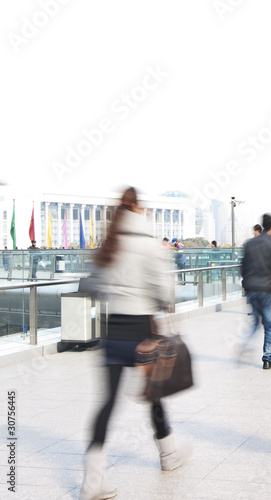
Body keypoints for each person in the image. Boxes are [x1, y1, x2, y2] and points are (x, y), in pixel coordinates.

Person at [80, 187, 191, 500]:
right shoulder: (149, 245)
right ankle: (168, 452)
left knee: (107, 403)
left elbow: (93, 286)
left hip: (112, 332)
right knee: (154, 394)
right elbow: (165, 294)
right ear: (139, 210)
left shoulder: (109, 244)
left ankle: (92, 482)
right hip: (143, 333)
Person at [241, 213, 271, 369]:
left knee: (256, 323)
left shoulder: (250, 244)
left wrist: (246, 285)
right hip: (267, 291)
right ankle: (268, 358)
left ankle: (245, 343)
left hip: (251, 289)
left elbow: (243, 267)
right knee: (270, 326)